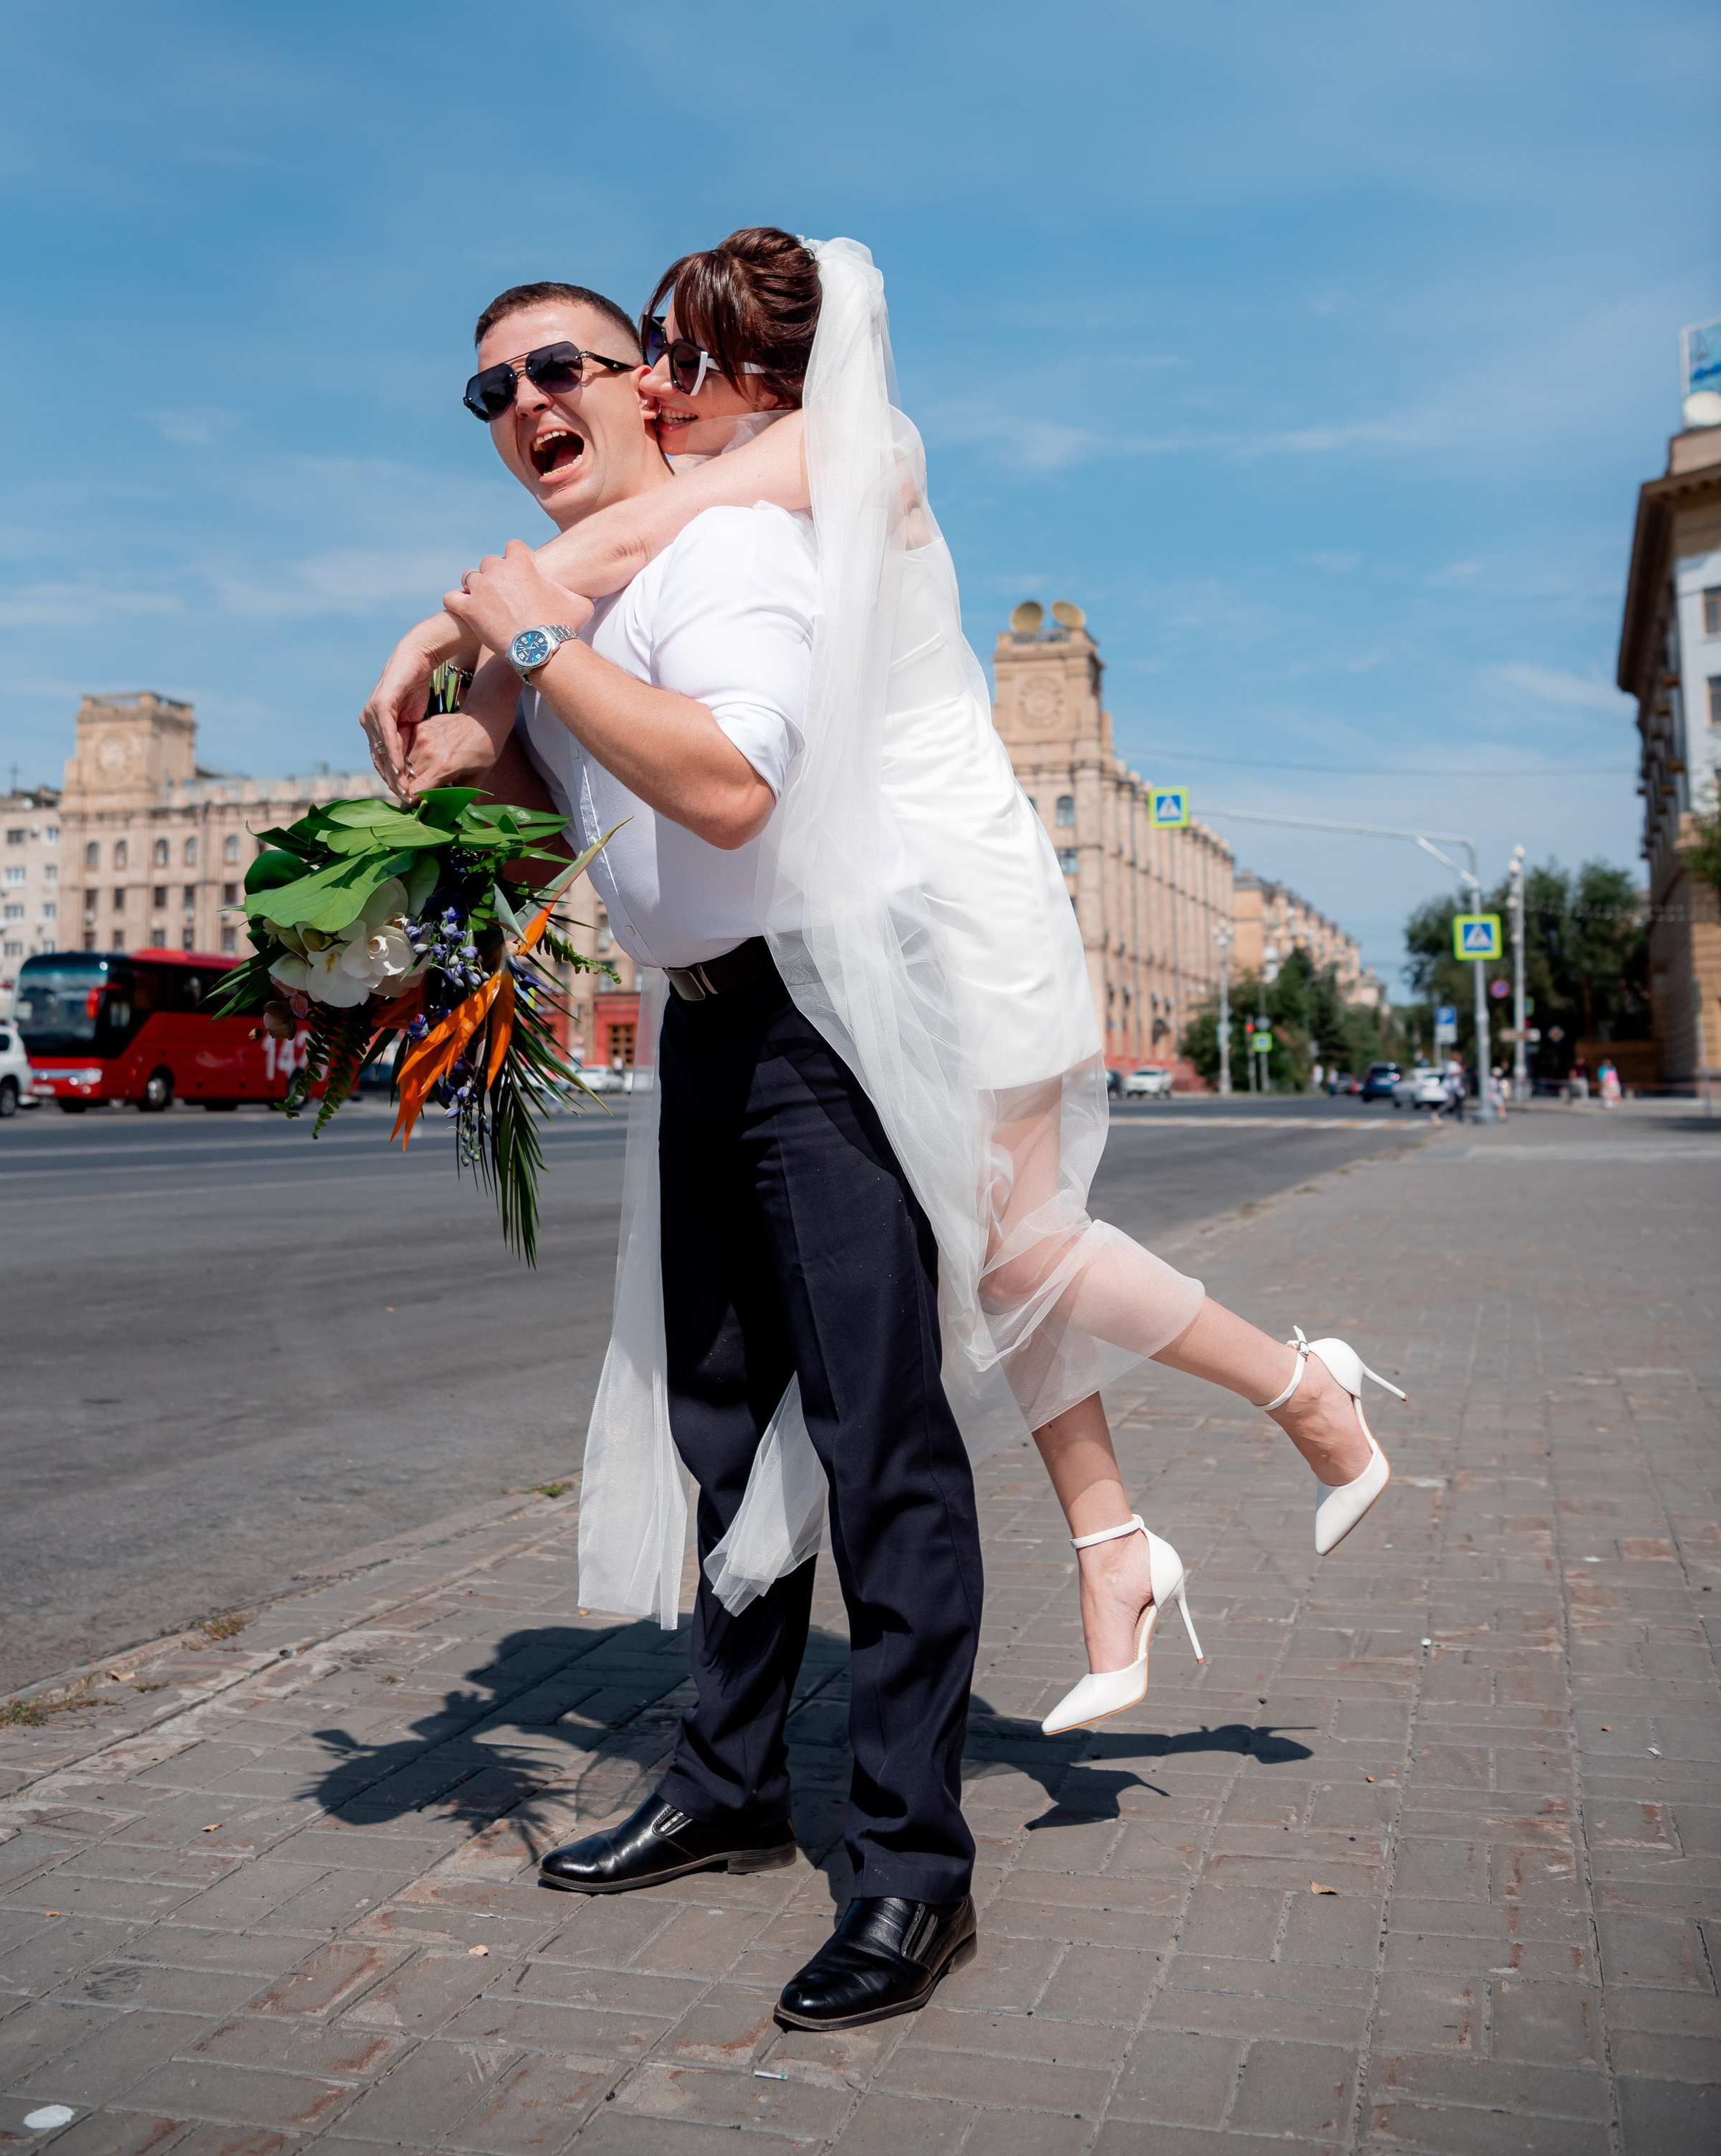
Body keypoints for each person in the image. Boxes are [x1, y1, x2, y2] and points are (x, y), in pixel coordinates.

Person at [363, 234, 1403, 1758]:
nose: (653, 377)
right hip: (878, 916)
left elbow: (601, 567)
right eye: (641, 348)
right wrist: (480, 693)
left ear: (760, 371)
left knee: (1014, 1240)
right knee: (997, 1250)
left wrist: (444, 627)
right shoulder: (713, 495)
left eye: (672, 351)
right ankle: (1115, 1553)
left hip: (948, 895)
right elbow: (585, 646)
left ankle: (1299, 1382)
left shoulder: (851, 443)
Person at [416, 274, 983, 2032]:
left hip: (819, 1027)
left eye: (558, 367)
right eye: (490, 387)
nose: (523, 403)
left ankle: (906, 1872)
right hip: (711, 1029)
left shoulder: (724, 563)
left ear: (653, 394)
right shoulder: (602, 591)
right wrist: (474, 778)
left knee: (874, 1444)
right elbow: (604, 816)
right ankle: (729, 1783)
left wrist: (523, 653)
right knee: (718, 1426)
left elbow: (731, 786)